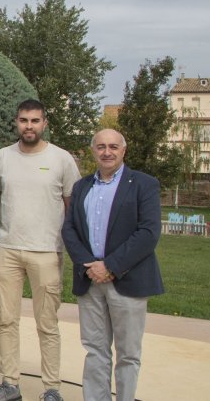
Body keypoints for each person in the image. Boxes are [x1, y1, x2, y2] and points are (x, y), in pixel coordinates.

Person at [0, 100, 81, 401]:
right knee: (6, 320)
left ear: (45, 123)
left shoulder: (62, 159)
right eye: (24, 120)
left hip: (47, 251)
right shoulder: (2, 157)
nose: (29, 126)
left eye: (35, 121)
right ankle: (10, 383)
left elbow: (72, 207)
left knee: (47, 324)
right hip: (7, 249)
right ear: (16, 122)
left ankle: (52, 387)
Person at [61, 129, 163, 401]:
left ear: (123, 150)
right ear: (93, 150)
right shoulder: (82, 186)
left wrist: (110, 266)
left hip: (127, 280)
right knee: (95, 350)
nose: (107, 152)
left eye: (113, 147)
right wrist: (89, 266)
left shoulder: (144, 184)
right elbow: (69, 229)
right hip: (90, 280)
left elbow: (148, 233)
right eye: (101, 146)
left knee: (128, 354)